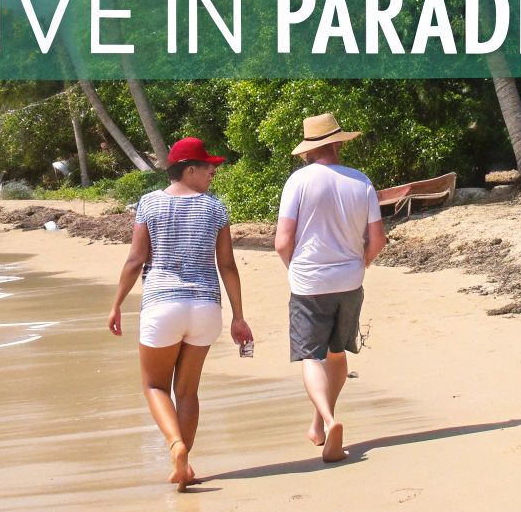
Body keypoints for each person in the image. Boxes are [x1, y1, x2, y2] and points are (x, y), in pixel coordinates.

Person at [108, 137, 253, 490]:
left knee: (154, 385)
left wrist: (116, 305)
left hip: (163, 304)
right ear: (189, 170)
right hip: (205, 306)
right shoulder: (215, 208)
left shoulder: (148, 204)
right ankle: (185, 467)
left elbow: (136, 259)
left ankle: (176, 447)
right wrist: (238, 315)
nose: (213, 173)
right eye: (207, 167)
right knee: (187, 392)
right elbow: (228, 265)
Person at [274, 113, 386, 463]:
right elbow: (378, 239)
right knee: (337, 355)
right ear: (337, 143)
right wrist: (361, 262)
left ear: (309, 149)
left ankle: (328, 419)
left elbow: (282, 242)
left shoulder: (299, 181)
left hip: (309, 281)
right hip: (350, 281)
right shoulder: (361, 181)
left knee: (310, 356)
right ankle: (318, 426)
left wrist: (296, 270)